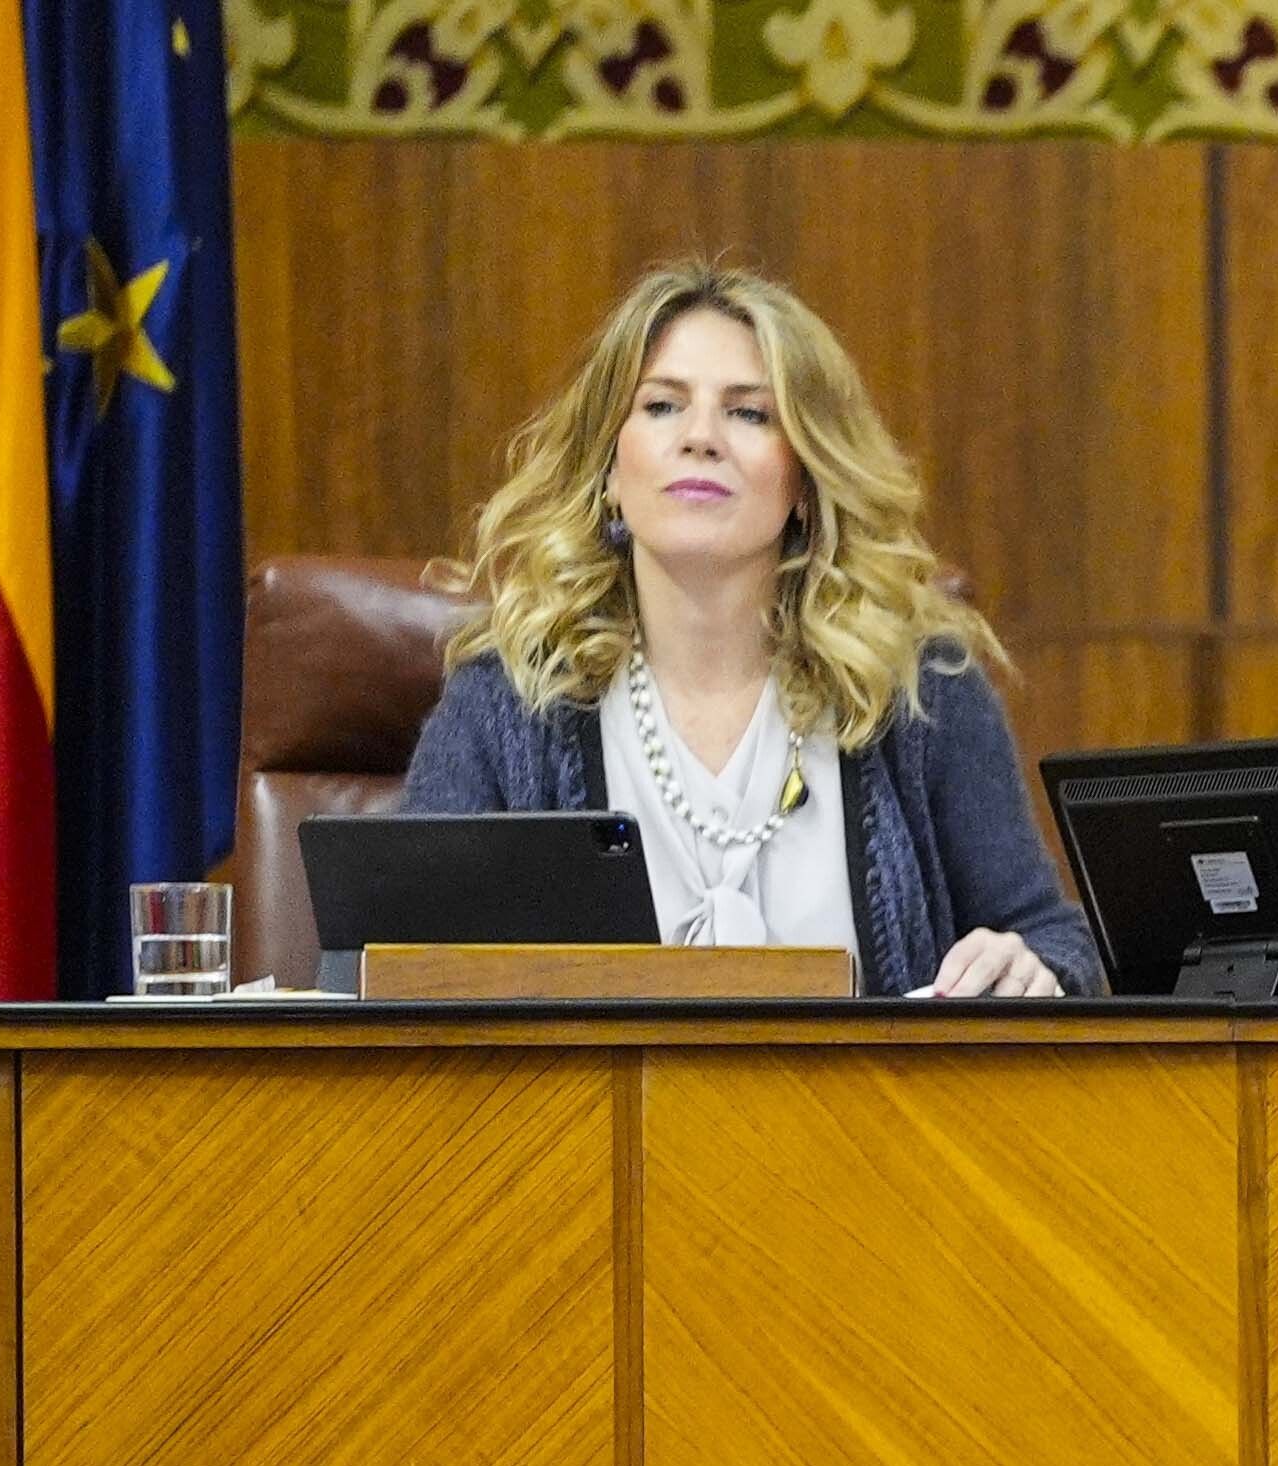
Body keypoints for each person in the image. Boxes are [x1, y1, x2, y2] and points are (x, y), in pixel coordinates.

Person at [406, 260, 1098, 997]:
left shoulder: (918, 691)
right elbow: (387, 958)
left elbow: (1052, 939)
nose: (701, 438)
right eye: (663, 406)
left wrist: (1034, 967)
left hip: (861, 1111)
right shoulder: (509, 699)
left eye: (749, 413)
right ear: (608, 465)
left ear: (804, 479)